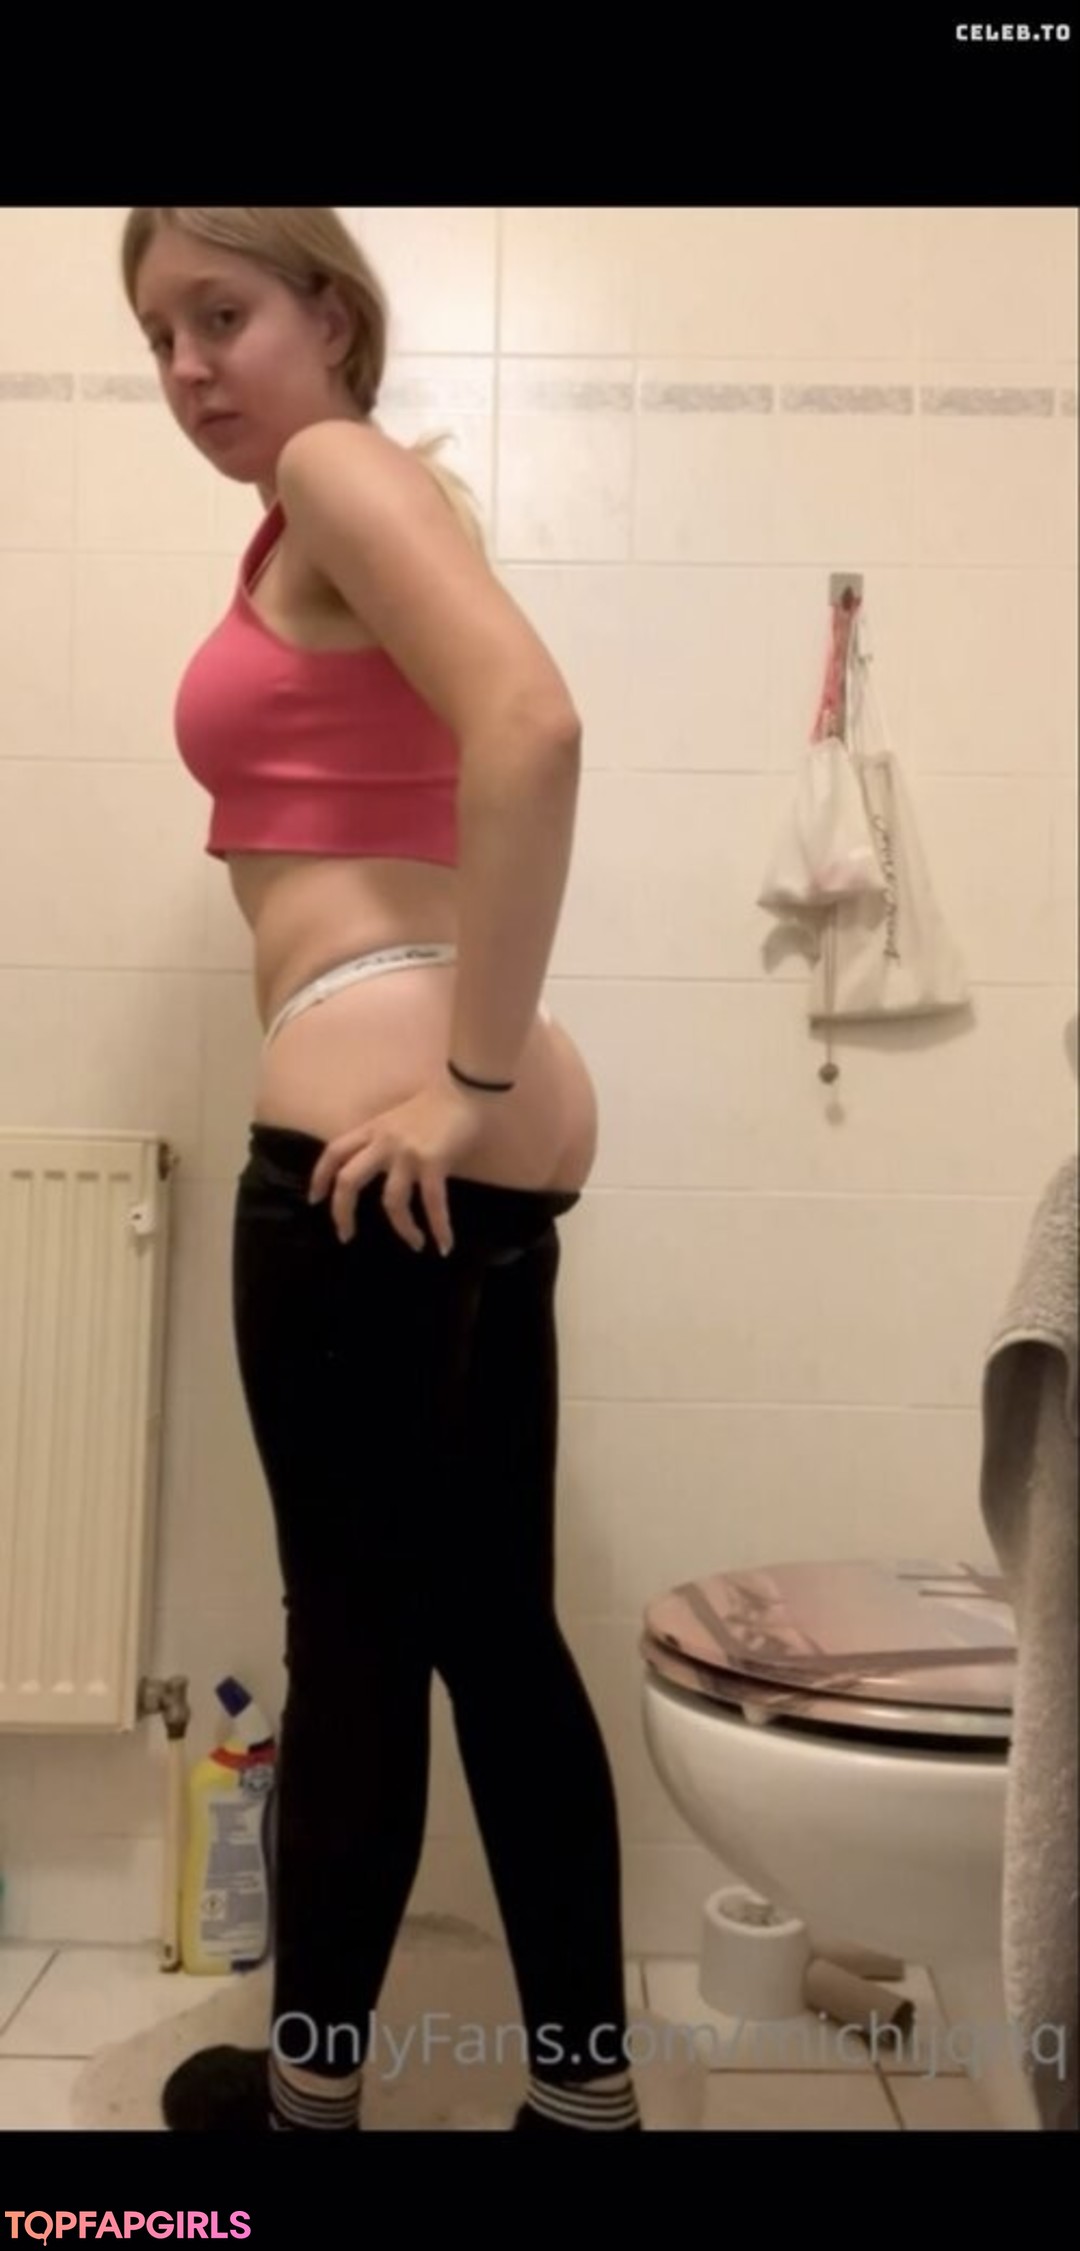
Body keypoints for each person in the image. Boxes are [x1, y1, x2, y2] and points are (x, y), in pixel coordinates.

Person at [121, 207, 641, 2135]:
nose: (188, 366)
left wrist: (462, 1082)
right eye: (159, 334)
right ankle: (585, 2108)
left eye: (222, 313)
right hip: (461, 1139)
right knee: (491, 1629)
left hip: (379, 1140)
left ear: (331, 315)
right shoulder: (326, 513)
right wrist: (479, 1086)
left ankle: (304, 2117)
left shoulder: (337, 469)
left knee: (351, 1639)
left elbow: (537, 725)